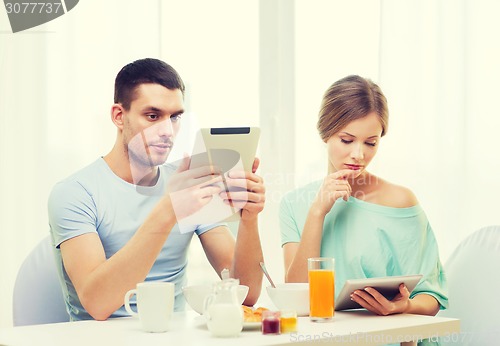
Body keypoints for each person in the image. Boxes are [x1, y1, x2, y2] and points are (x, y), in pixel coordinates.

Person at [48, 58, 265, 321]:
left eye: (174, 117)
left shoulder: (188, 179)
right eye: (153, 116)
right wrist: (168, 209)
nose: (166, 131)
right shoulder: (75, 193)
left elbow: (247, 294)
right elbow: (98, 304)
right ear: (119, 116)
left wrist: (249, 219)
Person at [280, 75, 448, 317]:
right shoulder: (293, 204)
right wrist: (317, 212)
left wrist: (405, 305)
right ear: (325, 133)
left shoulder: (401, 201)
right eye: (347, 140)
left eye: (370, 143)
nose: (358, 154)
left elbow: (432, 297)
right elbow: (297, 299)